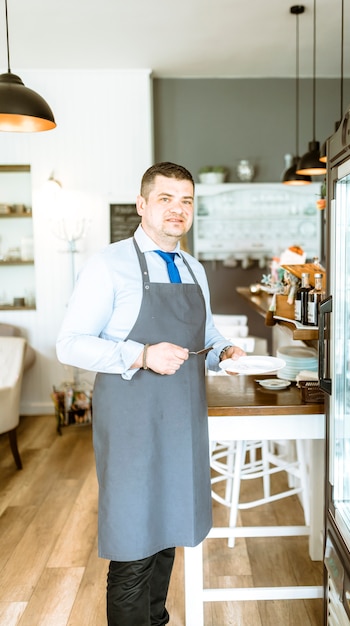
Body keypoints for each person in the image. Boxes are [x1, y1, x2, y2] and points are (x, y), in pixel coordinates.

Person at [56, 161, 245, 626]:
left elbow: (208, 337)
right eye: (166, 199)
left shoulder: (193, 268)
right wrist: (140, 356)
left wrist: (227, 353)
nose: (177, 210)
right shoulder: (109, 265)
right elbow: (70, 343)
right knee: (135, 543)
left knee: (169, 532)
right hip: (133, 426)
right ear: (143, 205)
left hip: (182, 423)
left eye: (186, 201)